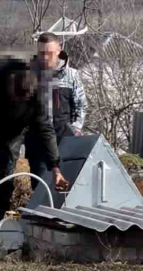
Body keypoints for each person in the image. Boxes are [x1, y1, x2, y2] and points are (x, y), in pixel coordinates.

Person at [0, 51, 69, 227]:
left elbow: (45, 129)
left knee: (3, 182)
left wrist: (55, 166)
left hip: (8, 137)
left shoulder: (38, 96)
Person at [25, 32, 86, 190]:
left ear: (59, 50)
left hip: (64, 143)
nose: (45, 58)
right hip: (37, 144)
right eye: (41, 53)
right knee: (40, 189)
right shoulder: (29, 75)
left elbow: (80, 105)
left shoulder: (71, 75)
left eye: (49, 53)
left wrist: (74, 130)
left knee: (65, 189)